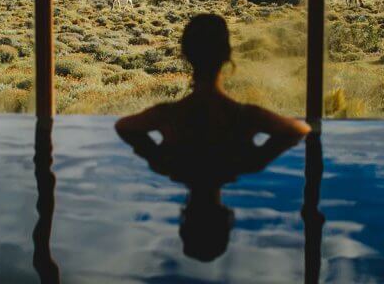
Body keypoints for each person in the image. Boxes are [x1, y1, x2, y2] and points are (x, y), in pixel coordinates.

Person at [116, 13, 310, 261]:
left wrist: (152, 150)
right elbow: (300, 130)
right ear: (227, 55)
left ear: (185, 55)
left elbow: (124, 127)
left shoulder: (168, 121)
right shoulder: (247, 127)